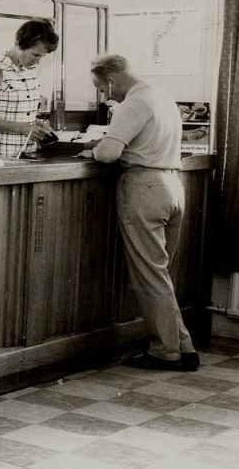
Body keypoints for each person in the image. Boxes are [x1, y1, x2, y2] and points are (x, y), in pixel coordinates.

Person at [85, 53, 198, 371]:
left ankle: (166, 351)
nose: (105, 95)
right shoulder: (162, 96)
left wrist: (93, 148)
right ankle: (183, 347)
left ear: (110, 79)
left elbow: (107, 155)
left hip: (144, 188)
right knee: (159, 273)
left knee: (150, 275)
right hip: (173, 187)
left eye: (102, 88)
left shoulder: (131, 104)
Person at [0, 19, 60, 159]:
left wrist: (38, 125)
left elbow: (17, 114)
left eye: (41, 56)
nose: (38, 62)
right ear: (19, 45)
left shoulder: (30, 70)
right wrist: (22, 128)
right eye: (35, 55)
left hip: (28, 153)